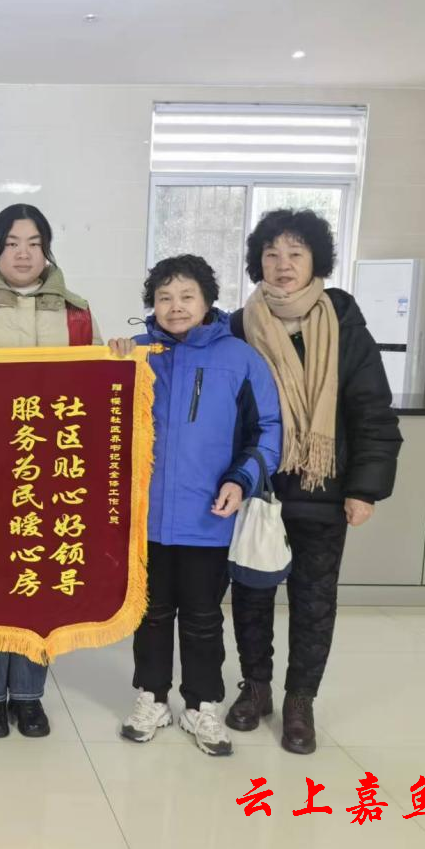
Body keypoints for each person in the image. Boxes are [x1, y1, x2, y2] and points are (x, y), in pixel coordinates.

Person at [226, 208, 402, 754]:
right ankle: (256, 687)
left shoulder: (343, 324)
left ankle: (300, 700)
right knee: (251, 593)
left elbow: (372, 411)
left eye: (295, 254)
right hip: (260, 487)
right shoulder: (238, 326)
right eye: (271, 254)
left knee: (314, 600)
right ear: (257, 262)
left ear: (315, 261)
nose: (283, 265)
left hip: (324, 488)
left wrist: (364, 488)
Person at [0, 203, 103, 738]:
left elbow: (98, 391)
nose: (23, 254)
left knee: (39, 578)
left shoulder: (77, 314)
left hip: (51, 472)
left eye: (33, 243)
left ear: (47, 249)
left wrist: (119, 357)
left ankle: (29, 695)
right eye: (11, 243)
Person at [108, 255, 281, 756]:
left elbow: (268, 430)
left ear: (207, 301)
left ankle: (202, 704)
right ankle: (151, 697)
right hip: (145, 518)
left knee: (204, 616)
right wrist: (111, 363)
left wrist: (241, 481)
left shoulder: (240, 358)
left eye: (187, 296)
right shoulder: (137, 353)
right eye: (164, 297)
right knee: (151, 613)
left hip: (210, 517)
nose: (175, 306)